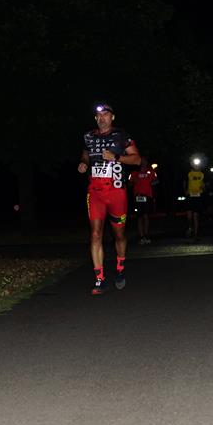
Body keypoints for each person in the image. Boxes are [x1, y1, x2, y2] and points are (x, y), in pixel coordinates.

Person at [78, 103, 141, 295]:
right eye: (99, 116)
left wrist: (116, 157)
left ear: (112, 117)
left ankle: (120, 268)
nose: (102, 118)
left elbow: (137, 159)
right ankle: (100, 279)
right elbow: (85, 155)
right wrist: (83, 163)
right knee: (95, 234)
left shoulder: (121, 135)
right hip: (95, 192)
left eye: (106, 114)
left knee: (119, 235)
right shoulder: (89, 136)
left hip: (116, 193)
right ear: (95, 118)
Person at [128, 156, 158, 245]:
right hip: (138, 197)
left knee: (146, 216)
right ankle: (141, 236)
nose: (143, 162)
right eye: (142, 161)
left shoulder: (151, 172)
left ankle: (146, 235)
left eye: (145, 161)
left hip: (147, 196)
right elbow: (129, 183)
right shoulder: (134, 173)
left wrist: (151, 185)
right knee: (139, 217)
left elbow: (156, 182)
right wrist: (133, 182)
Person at [185, 163, 205, 241]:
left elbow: (204, 184)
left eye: (198, 165)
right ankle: (190, 227)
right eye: (195, 165)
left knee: (195, 216)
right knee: (189, 216)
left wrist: (203, 188)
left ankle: (196, 234)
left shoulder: (202, 174)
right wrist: (185, 190)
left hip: (198, 196)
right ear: (192, 166)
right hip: (190, 196)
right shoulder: (189, 173)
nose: (197, 166)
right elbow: (184, 182)